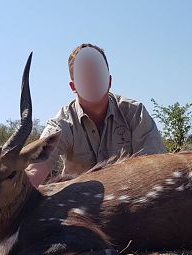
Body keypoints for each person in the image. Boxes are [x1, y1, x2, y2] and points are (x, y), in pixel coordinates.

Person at [26, 43, 166, 187]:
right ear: (73, 86)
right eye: (85, 78)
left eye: (97, 76)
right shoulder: (62, 124)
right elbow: (35, 170)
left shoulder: (135, 113)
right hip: (78, 204)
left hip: (131, 198)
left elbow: (154, 170)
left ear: (109, 80)